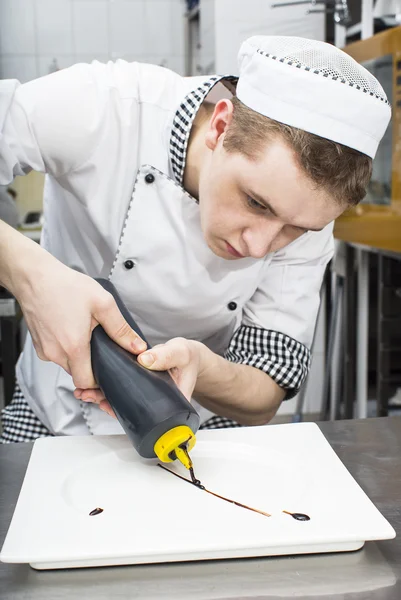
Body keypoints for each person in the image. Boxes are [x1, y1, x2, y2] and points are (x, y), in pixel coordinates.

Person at [0, 36, 390, 442]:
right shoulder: (107, 106)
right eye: (256, 202)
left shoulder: (306, 211)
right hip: (53, 414)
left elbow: (265, 392)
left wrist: (203, 369)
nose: (258, 248)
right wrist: (29, 276)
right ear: (221, 126)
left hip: (197, 425)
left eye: (295, 230)